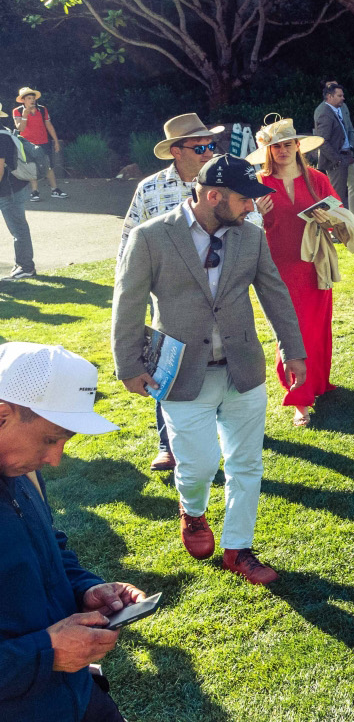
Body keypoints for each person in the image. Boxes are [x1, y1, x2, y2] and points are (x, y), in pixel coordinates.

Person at [111, 155, 307, 585]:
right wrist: (128, 364)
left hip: (244, 370)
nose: (251, 208)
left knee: (246, 464)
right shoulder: (151, 237)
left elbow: (274, 291)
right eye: (244, 200)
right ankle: (193, 512)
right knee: (197, 466)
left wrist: (294, 349)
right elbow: (127, 302)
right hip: (181, 374)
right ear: (213, 195)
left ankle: (239, 549)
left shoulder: (250, 237)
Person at [0, 342, 147, 722]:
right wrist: (44, 654)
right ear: (2, 414)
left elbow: (50, 547)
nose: (56, 459)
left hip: (77, 697)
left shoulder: (22, 472)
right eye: (51, 439)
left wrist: (85, 589)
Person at [119, 112, 229, 472]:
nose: (209, 152)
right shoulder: (150, 188)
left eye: (212, 145)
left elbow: (251, 225)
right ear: (176, 151)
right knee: (167, 363)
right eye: (201, 147)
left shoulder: (226, 182)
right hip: (169, 297)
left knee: (226, 356)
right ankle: (168, 443)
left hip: (220, 293)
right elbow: (129, 242)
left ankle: (230, 428)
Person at [248, 116, 338, 427]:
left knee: (315, 328)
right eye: (276, 146)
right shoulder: (257, 184)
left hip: (314, 265)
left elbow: (339, 219)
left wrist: (329, 219)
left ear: (298, 146)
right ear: (267, 151)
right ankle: (300, 400)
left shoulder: (318, 179)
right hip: (276, 268)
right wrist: (256, 213)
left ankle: (317, 384)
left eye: (288, 144)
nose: (283, 150)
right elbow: (242, 227)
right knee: (290, 332)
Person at [311, 82, 354, 219]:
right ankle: (332, 224)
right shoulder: (323, 112)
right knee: (335, 194)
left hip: (347, 154)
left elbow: (348, 129)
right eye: (340, 96)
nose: (343, 98)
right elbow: (323, 141)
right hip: (336, 159)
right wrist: (338, 159)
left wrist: (349, 149)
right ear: (329, 96)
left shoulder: (338, 108)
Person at [0, 112, 36, 282]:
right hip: (12, 188)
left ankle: (26, 267)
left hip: (10, 191)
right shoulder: (5, 132)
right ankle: (22, 265)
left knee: (18, 229)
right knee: (19, 228)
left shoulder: (1, 137)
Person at [10, 88, 65, 201]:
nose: (32, 100)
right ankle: (35, 192)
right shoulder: (17, 111)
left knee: (48, 166)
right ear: (23, 100)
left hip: (43, 142)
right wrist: (25, 114)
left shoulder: (42, 109)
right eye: (29, 98)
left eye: (33, 98)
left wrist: (55, 141)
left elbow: (49, 125)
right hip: (27, 144)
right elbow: (20, 128)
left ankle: (55, 190)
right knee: (31, 166)